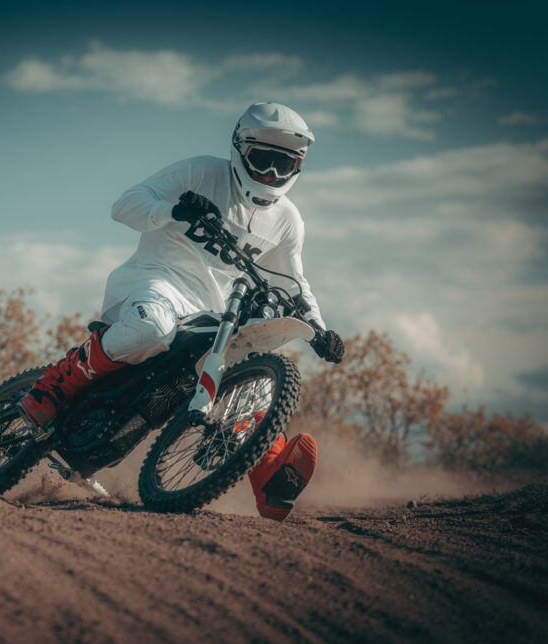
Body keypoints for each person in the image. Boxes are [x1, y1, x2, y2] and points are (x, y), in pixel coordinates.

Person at [19, 102, 345, 520]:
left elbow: (294, 284)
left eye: (285, 165)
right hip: (158, 282)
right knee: (152, 329)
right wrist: (171, 211)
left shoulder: (287, 220)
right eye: (263, 159)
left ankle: (269, 473)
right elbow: (124, 205)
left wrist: (319, 330)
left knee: (254, 376)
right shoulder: (202, 172)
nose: (271, 174)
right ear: (240, 149)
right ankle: (55, 383)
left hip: (214, 315)